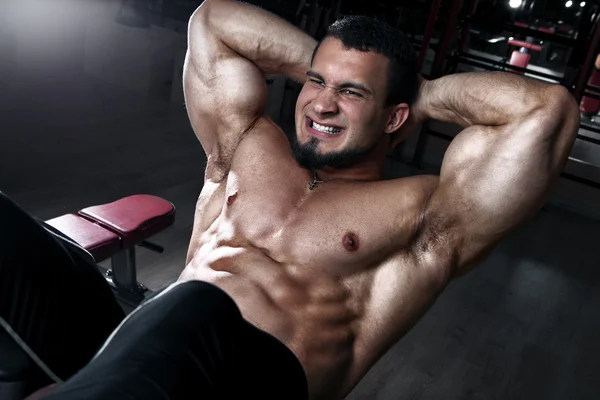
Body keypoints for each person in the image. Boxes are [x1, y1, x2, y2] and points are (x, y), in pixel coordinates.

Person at [0, 0, 579, 399]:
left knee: (195, 307)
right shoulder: (247, 144)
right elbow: (213, 22)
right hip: (140, 350)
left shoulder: (426, 217)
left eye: (351, 94)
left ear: (395, 115)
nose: (322, 105)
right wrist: (340, 68)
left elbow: (546, 112)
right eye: (315, 82)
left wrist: (415, 93)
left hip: (252, 378)